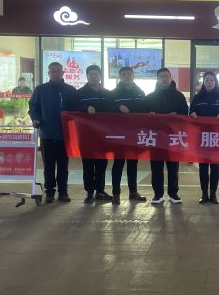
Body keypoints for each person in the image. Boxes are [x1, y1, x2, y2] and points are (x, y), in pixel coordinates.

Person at [28, 62, 77, 203]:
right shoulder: (40, 89)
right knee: (48, 166)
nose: (55, 74)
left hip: (64, 135)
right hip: (47, 134)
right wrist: (35, 118)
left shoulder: (70, 90)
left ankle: (63, 193)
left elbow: (76, 109)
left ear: (63, 73)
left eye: (58, 71)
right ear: (48, 73)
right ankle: (49, 193)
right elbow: (33, 107)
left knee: (63, 167)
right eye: (53, 71)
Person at [145, 68, 189, 205]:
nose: (164, 79)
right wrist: (149, 115)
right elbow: (143, 115)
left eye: (166, 76)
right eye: (161, 77)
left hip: (172, 137)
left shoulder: (179, 96)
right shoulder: (150, 97)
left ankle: (173, 193)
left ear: (171, 78)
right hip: (155, 137)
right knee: (156, 167)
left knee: (173, 167)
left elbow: (185, 114)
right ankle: (157, 194)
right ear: (158, 79)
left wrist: (176, 115)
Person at [72, 65, 112, 204]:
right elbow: (73, 108)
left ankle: (100, 191)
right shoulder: (79, 93)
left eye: (96, 74)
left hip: (102, 135)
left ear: (100, 76)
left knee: (101, 164)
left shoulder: (107, 93)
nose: (94, 76)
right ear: (87, 76)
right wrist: (85, 107)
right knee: (88, 164)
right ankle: (89, 192)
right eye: (91, 74)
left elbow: (112, 111)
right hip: (86, 134)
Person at [190, 71, 219, 204]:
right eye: (207, 80)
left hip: (216, 136)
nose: (209, 82)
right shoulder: (197, 97)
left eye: (212, 80)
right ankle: (204, 193)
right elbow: (191, 112)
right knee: (203, 166)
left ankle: (213, 194)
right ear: (203, 82)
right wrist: (193, 114)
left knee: (215, 166)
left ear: (215, 82)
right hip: (201, 136)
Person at [110, 66, 148, 205]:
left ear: (133, 76)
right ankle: (116, 193)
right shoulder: (113, 94)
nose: (127, 76)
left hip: (134, 134)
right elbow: (106, 109)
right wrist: (117, 107)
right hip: (119, 135)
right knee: (118, 164)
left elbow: (145, 110)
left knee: (133, 164)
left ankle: (133, 192)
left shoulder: (140, 92)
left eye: (129, 74)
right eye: (124, 74)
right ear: (120, 77)